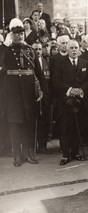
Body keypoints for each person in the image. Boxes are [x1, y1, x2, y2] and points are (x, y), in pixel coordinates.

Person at [2, 18, 44, 167]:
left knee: (28, 125)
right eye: (16, 33)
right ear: (11, 35)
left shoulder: (30, 50)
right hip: (12, 95)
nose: (19, 36)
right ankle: (17, 156)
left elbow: (38, 73)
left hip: (28, 94)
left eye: (21, 33)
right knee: (15, 126)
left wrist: (41, 90)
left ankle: (28, 154)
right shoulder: (4, 51)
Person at [52, 39, 88, 165]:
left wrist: (80, 90)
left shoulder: (85, 63)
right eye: (71, 48)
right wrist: (70, 90)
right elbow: (56, 81)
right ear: (67, 49)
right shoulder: (60, 64)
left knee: (78, 126)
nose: (74, 50)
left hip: (80, 100)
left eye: (76, 48)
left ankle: (75, 152)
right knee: (65, 127)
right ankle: (65, 154)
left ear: (79, 49)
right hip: (65, 101)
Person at [32, 42, 51, 154]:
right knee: (35, 121)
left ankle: (43, 146)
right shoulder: (29, 63)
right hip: (34, 96)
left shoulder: (47, 63)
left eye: (39, 49)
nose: (38, 51)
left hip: (46, 97)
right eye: (35, 49)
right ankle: (33, 146)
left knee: (45, 121)